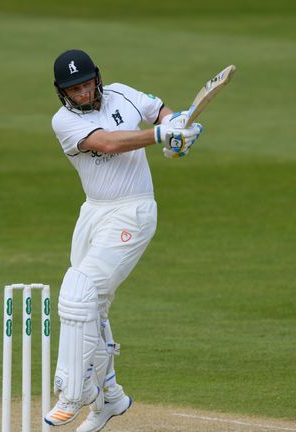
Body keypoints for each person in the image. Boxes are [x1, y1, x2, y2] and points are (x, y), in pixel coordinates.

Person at [43, 49, 203, 432]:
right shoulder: (63, 121)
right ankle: (109, 398)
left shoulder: (123, 94)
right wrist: (161, 135)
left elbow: (159, 108)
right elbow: (109, 143)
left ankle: (73, 393)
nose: (81, 93)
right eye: (72, 89)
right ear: (61, 92)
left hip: (133, 211)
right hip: (93, 212)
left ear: (96, 78)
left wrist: (177, 126)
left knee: (77, 293)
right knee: (91, 308)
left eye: (85, 84)